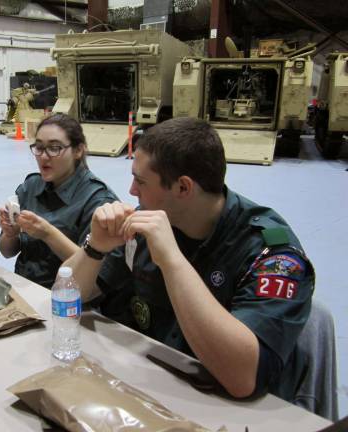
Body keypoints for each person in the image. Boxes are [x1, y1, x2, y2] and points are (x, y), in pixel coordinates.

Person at [63, 117, 314, 400]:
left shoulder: (270, 253)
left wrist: (172, 261)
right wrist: (95, 247)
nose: (132, 191)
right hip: (151, 384)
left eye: (140, 181)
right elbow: (65, 295)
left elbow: (242, 378)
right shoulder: (148, 223)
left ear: (183, 188)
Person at [0, 114, 118, 288]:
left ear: (78, 150)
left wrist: (48, 234)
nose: (44, 156)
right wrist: (11, 234)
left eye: (54, 148)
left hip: (68, 300)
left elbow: (95, 274)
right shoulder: (30, 186)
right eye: (39, 147)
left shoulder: (97, 200)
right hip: (25, 289)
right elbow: (6, 251)